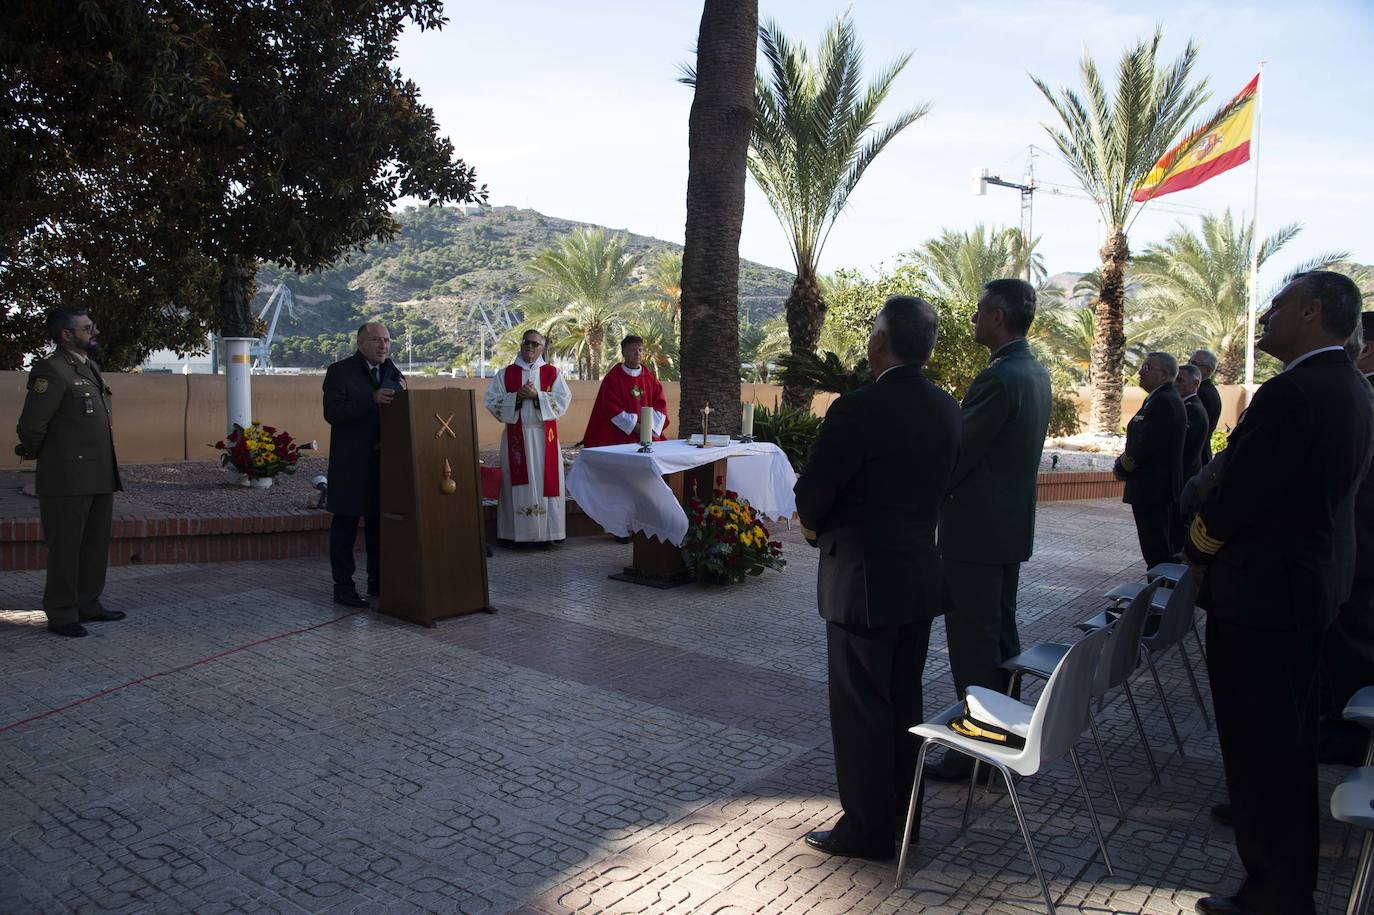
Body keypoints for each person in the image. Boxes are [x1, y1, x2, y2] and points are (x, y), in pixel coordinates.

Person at [1186, 272, 1374, 915]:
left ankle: (1274, 891)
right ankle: (1281, 877)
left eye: (1279, 304)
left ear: (1313, 312)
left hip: (1265, 599)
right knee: (1285, 745)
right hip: (1305, 592)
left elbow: (1240, 492)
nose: (1265, 315)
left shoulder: (1295, 391)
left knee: (1263, 745)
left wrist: (1198, 548)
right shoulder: (1348, 384)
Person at [793, 296, 961, 861]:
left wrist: (814, 528)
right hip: (916, 576)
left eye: (872, 333)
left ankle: (867, 830)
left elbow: (813, 494)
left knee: (862, 709)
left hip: (862, 583)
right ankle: (902, 818)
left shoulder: (858, 408)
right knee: (902, 703)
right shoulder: (947, 407)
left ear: (881, 342)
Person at [925, 278, 1051, 783]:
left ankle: (974, 751)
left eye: (980, 311)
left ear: (998, 316)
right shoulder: (1033, 371)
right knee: (1000, 636)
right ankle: (1003, 736)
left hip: (974, 534)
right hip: (1007, 529)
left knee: (975, 642)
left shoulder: (999, 378)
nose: (974, 319)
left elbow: (959, 453)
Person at [15, 308, 126, 638]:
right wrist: (43, 456)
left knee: (93, 544)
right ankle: (62, 613)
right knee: (66, 547)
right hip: (66, 476)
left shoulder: (87, 366)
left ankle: (87, 603)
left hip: (98, 474)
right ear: (66, 334)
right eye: (86, 328)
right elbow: (32, 425)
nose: (94, 331)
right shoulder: (52, 370)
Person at [1319, 310, 1374, 764]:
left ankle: (1347, 734)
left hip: (1358, 546)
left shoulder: (1355, 393)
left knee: (1350, 643)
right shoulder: (1358, 391)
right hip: (1353, 546)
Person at [322, 322, 405, 608]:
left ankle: (378, 581)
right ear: (360, 343)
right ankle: (343, 587)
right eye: (376, 340)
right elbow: (333, 413)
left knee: (379, 527)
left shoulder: (394, 373)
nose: (383, 345)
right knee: (345, 526)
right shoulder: (339, 372)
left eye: (387, 340)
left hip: (385, 465)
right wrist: (370, 400)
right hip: (351, 464)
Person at [483, 330, 573, 546]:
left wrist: (537, 397)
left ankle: (547, 535)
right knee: (517, 484)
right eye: (526, 342)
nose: (529, 347)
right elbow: (492, 401)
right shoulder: (505, 374)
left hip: (544, 438)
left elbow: (563, 400)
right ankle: (516, 535)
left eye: (535, 344)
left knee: (546, 483)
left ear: (543, 348)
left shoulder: (552, 373)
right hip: (517, 437)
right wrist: (515, 398)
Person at [1115, 352, 1185, 570]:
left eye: (1147, 367)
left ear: (1164, 374)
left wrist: (1121, 467)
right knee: (1154, 548)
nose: (1140, 372)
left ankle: (1161, 596)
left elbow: (1145, 445)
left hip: (1153, 488)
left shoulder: (1164, 401)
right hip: (1152, 488)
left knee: (1157, 549)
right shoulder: (1159, 397)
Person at [581, 335, 669, 447]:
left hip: (647, 433)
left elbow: (660, 405)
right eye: (632, 350)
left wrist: (647, 428)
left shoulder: (650, 378)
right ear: (623, 353)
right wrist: (634, 426)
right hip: (619, 434)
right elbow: (610, 408)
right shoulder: (613, 378)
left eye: (640, 350)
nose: (637, 353)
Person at [1169, 362, 1209, 554]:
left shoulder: (1192, 409)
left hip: (1183, 478)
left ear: (1195, 383)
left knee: (1176, 533)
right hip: (1181, 477)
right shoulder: (1185, 405)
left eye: (1181, 380)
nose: (1176, 384)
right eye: (1175, 379)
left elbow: (1180, 448)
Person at [1188, 349, 1223, 463]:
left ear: (1207, 370)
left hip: (1195, 457)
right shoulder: (1206, 390)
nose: (1188, 366)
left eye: (1193, 363)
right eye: (1189, 362)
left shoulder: (1203, 393)